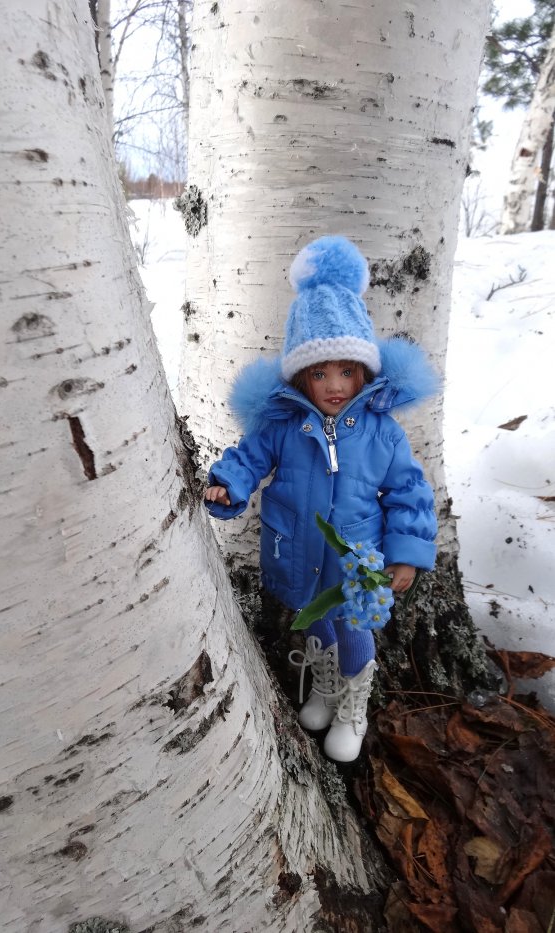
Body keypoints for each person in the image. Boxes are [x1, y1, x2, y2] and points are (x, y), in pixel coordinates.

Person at [204, 235, 438, 762]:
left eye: (346, 371)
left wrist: (407, 552)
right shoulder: (284, 426)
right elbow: (248, 458)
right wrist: (229, 483)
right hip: (302, 550)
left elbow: (409, 491)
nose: (334, 385)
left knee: (354, 626)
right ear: (300, 376)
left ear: (365, 373)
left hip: (357, 559)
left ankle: (354, 703)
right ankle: (327, 687)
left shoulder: (380, 432)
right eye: (319, 372)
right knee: (316, 619)